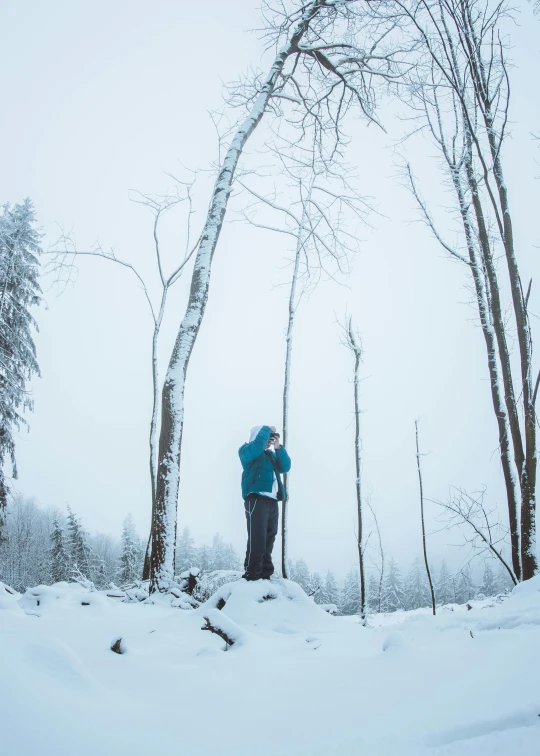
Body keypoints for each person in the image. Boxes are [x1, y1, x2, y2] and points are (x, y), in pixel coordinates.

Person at [238, 425, 291, 581]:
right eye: (267, 439)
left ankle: (265, 573)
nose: (268, 442)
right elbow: (256, 447)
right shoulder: (247, 451)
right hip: (256, 498)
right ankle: (252, 573)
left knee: (269, 537)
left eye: (270, 439)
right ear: (258, 436)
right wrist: (267, 428)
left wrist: (278, 447)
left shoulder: (270, 456)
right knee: (257, 537)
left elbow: (285, 466)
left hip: (272, 500)